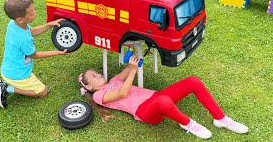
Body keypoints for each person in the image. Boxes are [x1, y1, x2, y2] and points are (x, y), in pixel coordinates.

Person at [78, 56, 248, 139]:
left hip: (155, 97)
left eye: (97, 72)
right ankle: (188, 124)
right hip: (144, 111)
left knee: (193, 81)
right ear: (89, 86)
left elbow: (129, 68)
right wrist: (134, 71)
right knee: (163, 101)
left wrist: (133, 58)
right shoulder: (99, 95)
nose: (98, 74)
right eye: (93, 76)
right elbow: (122, 93)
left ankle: (222, 119)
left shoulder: (114, 79)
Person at [0, 0, 67, 109]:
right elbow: (35, 55)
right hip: (17, 75)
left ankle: (9, 84)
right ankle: (6, 88)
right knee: (43, 91)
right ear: (20, 19)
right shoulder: (23, 39)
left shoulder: (14, 24)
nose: (35, 14)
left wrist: (49, 25)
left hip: (9, 69)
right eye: (31, 14)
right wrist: (58, 52)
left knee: (36, 84)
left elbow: (33, 31)